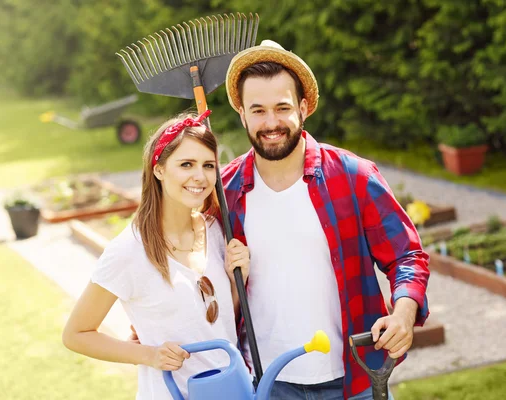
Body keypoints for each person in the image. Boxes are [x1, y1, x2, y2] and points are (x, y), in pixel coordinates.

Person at [219, 40, 431, 400]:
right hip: (269, 385)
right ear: (241, 113)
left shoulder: (353, 176)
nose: (271, 123)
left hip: (355, 380)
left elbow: (406, 256)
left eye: (282, 107)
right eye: (258, 110)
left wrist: (404, 314)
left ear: (303, 107)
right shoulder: (225, 191)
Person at [62, 110, 251, 400]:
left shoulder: (216, 231)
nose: (199, 176)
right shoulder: (128, 251)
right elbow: (76, 334)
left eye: (208, 165)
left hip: (232, 392)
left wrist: (236, 279)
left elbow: (220, 325)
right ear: (159, 169)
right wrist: (148, 354)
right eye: (186, 164)